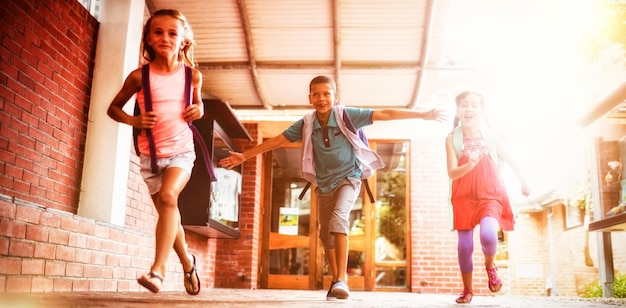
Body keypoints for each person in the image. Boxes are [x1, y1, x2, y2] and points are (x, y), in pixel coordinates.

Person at [219, 75, 447, 301]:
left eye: (326, 94)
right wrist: (244, 156)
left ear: (335, 96)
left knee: (339, 219)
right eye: (316, 94)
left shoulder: (346, 115)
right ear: (310, 98)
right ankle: (335, 281)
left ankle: (342, 280)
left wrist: (421, 115)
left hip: (350, 177)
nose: (321, 98)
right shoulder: (307, 123)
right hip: (325, 184)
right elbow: (278, 140)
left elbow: (384, 114)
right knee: (326, 236)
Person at [106, 9, 202, 295]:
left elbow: (199, 106)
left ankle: (157, 272)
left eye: (173, 33)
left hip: (182, 151)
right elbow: (112, 108)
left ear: (183, 40)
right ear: (148, 38)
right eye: (158, 32)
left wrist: (198, 109)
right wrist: (134, 120)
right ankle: (187, 263)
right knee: (168, 212)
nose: (165, 38)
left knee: (170, 197)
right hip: (152, 156)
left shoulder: (192, 76)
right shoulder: (139, 77)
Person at [445, 90, 531, 304]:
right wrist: (470, 163)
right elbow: (452, 173)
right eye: (464, 105)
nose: (469, 109)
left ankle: (490, 265)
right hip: (463, 196)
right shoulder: (451, 139)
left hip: (490, 194)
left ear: (481, 111)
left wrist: (523, 180)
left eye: (474, 105)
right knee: (464, 246)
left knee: (489, 236)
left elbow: (509, 158)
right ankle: (467, 290)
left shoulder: (491, 137)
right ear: (458, 110)